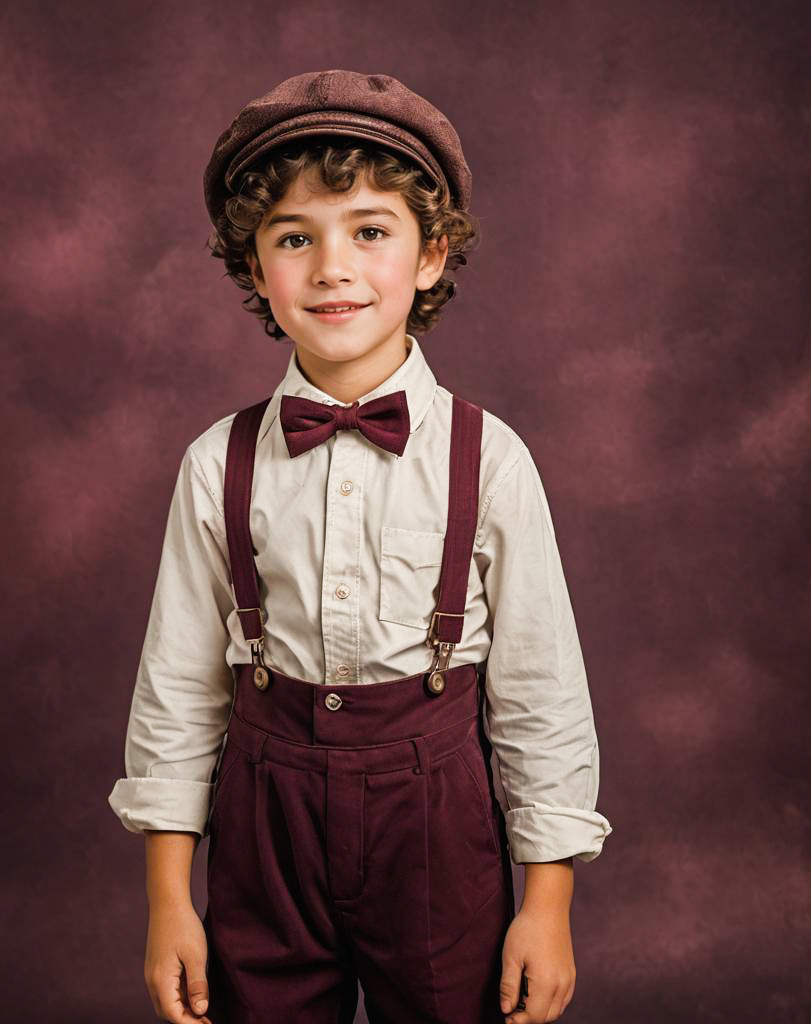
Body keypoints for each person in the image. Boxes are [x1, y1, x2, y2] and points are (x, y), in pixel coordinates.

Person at [108, 69, 613, 1024]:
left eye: (370, 231)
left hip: (439, 829)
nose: (333, 267)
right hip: (265, 831)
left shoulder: (491, 459)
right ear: (256, 269)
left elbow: (542, 696)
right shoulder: (215, 464)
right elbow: (176, 691)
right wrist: (170, 900)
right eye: (295, 238)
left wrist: (547, 904)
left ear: (432, 254)